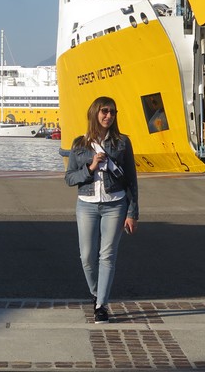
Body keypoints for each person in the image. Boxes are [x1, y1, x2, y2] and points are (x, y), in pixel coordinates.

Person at [65, 96, 139, 324]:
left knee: (107, 256)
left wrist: (132, 213)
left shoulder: (122, 143)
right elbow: (69, 178)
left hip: (115, 204)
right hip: (86, 205)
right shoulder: (79, 144)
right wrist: (91, 167)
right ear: (94, 113)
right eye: (104, 111)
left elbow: (131, 180)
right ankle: (96, 293)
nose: (109, 116)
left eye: (113, 112)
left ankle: (101, 306)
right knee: (87, 256)